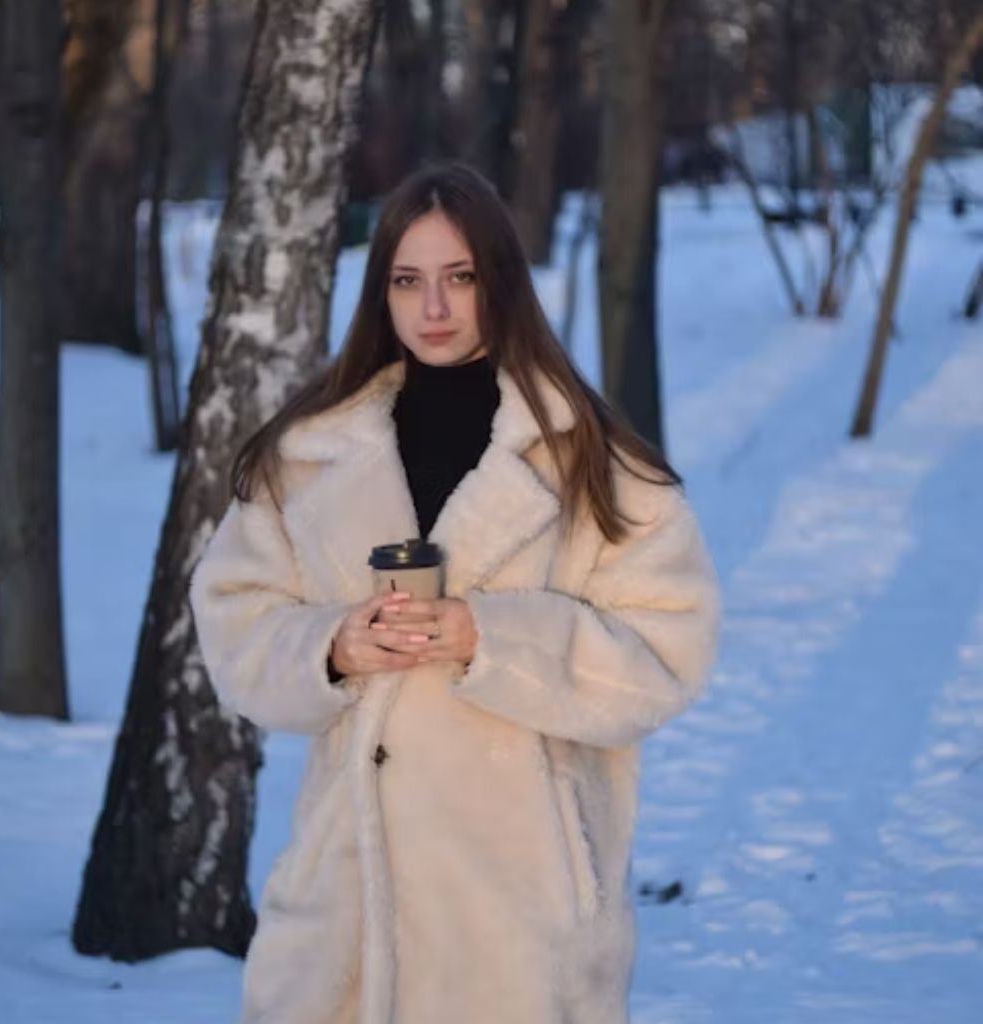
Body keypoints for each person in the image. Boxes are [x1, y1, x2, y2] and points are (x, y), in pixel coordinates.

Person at [189, 162, 720, 1024]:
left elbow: (670, 649)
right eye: (407, 280)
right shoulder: (308, 456)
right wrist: (331, 646)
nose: (433, 308)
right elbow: (235, 616)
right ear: (381, 293)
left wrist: (495, 638)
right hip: (347, 919)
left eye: (459, 277)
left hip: (523, 921)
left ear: (500, 283)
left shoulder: (592, 461)